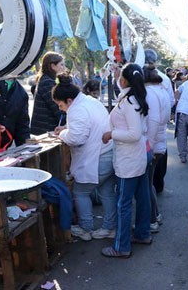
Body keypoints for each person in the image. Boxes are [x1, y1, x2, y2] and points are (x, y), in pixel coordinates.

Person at [52, 73, 117, 241]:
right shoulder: (89, 101)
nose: (60, 109)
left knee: (80, 192)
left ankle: (85, 228)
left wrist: (63, 134)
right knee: (107, 192)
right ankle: (110, 227)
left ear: (68, 100)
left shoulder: (77, 109)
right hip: (108, 153)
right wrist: (67, 128)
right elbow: (87, 125)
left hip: (97, 158)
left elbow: (77, 138)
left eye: (60, 105)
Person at [101, 63, 152, 258]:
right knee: (143, 197)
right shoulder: (135, 97)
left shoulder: (129, 101)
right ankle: (142, 234)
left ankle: (121, 246)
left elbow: (134, 134)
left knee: (123, 203)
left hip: (129, 160)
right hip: (136, 157)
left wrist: (111, 134)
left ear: (124, 80)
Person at [142, 49, 175, 193]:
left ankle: (155, 191)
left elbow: (154, 118)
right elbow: (171, 101)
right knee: (159, 157)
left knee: (151, 165)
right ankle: (158, 185)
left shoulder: (148, 81)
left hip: (151, 130)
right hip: (160, 126)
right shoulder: (164, 79)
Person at [142, 67, 169, 231]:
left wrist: (148, 147)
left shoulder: (150, 93)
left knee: (146, 184)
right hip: (160, 141)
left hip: (153, 143)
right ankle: (155, 215)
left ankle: (151, 219)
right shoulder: (161, 90)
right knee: (149, 183)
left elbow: (153, 120)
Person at [30, 52, 66, 134]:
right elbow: (57, 108)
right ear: (53, 66)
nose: (64, 68)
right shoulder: (47, 83)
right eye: (62, 65)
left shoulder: (46, 80)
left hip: (45, 129)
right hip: (45, 130)